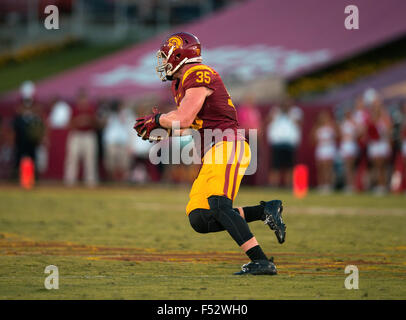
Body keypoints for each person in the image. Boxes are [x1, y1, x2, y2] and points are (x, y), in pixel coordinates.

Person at [134, 32, 286, 275]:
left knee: (219, 205)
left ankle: (261, 260)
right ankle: (265, 210)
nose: (162, 63)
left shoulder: (197, 73)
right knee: (200, 218)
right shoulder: (182, 82)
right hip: (213, 150)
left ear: (179, 55)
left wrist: (158, 119)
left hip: (227, 145)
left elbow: (183, 117)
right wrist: (159, 127)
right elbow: (185, 124)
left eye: (165, 57)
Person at [64, 89, 98, 187]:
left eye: (84, 98)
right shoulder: (74, 109)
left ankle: (91, 181)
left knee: (90, 158)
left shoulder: (91, 108)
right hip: (76, 134)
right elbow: (69, 124)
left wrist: (88, 120)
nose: (83, 101)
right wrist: (78, 121)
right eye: (81, 99)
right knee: (72, 158)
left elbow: (96, 123)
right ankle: (70, 181)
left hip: (89, 134)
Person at [266, 99, 302, 188]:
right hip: (277, 142)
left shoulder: (295, 112)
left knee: (289, 166)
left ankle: (288, 185)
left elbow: (299, 123)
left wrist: (289, 114)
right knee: (275, 166)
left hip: (289, 142)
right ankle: (273, 185)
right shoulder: (275, 111)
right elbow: (268, 121)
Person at [366, 97, 392, 195]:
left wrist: (387, 141)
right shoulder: (371, 119)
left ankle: (383, 185)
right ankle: (378, 185)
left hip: (382, 144)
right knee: (376, 166)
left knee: (382, 166)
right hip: (374, 145)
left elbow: (388, 131)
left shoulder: (385, 119)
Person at [311, 110, 338, 194]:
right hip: (321, 149)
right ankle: (321, 185)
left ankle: (328, 185)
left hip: (329, 149)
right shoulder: (317, 128)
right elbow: (312, 139)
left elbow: (337, 135)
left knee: (328, 168)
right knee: (321, 168)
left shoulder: (331, 127)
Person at [339, 108, 359, 193]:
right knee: (347, 167)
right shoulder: (343, 124)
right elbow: (341, 135)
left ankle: (352, 184)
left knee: (351, 167)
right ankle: (348, 185)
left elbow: (358, 132)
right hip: (345, 146)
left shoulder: (353, 123)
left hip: (351, 146)